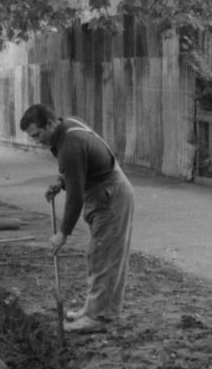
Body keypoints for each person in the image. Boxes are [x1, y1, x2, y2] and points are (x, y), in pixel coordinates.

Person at [19, 104, 134, 333]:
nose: (36, 141)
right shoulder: (66, 127)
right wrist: (60, 181)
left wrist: (63, 233)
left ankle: (98, 317)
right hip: (105, 192)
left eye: (37, 135)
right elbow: (77, 170)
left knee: (103, 255)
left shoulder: (70, 143)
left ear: (50, 124)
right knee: (98, 254)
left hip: (111, 196)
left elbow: (75, 196)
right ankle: (95, 308)